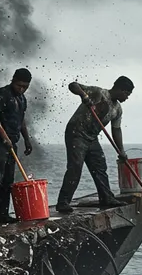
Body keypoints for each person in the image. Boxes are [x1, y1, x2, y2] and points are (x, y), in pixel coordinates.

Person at [55, 78, 132, 213]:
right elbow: (73, 85)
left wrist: (121, 151)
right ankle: (63, 202)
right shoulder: (97, 92)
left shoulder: (117, 109)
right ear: (120, 90)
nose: (127, 98)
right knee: (75, 168)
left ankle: (106, 198)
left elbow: (116, 130)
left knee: (100, 166)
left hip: (92, 137)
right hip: (76, 133)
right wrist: (83, 95)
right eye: (127, 94)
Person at [0, 68, 34, 225]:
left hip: (12, 142)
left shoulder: (22, 99)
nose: (21, 89)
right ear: (13, 80)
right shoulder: (3, 94)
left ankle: (3, 213)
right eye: (19, 85)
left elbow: (21, 120)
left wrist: (26, 139)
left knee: (8, 180)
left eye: (25, 86)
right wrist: (4, 137)